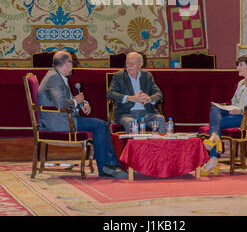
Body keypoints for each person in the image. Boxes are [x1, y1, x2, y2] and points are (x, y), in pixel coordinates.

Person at [37, 50, 127, 179]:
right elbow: (61, 103)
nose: (73, 66)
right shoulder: (54, 78)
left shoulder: (56, 75)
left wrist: (82, 104)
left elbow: (66, 100)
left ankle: (108, 165)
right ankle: (106, 166)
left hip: (63, 118)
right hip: (60, 123)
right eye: (72, 63)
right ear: (66, 63)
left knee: (102, 124)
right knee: (101, 125)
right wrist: (76, 101)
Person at [200, 55, 247, 176]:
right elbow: (235, 102)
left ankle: (213, 156)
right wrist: (230, 108)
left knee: (214, 125)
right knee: (214, 108)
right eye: (238, 65)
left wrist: (240, 111)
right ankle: (215, 139)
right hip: (237, 113)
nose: (238, 68)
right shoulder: (241, 83)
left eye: (241, 65)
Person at [107, 51, 166, 133]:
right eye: (128, 63)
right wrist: (129, 98)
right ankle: (134, 146)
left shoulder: (147, 76)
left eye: (133, 63)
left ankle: (160, 145)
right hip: (126, 114)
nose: (130, 66)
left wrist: (149, 99)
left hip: (146, 113)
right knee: (130, 122)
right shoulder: (119, 76)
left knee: (160, 119)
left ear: (140, 64)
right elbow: (110, 93)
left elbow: (158, 93)